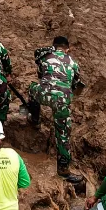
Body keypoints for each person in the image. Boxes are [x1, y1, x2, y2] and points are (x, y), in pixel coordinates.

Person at [28, 36, 85, 179]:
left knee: (32, 88)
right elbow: (75, 85)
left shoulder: (45, 56)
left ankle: (35, 118)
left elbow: (41, 75)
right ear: (68, 49)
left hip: (44, 94)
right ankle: (64, 170)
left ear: (54, 46)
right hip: (62, 99)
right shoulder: (73, 63)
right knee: (63, 136)